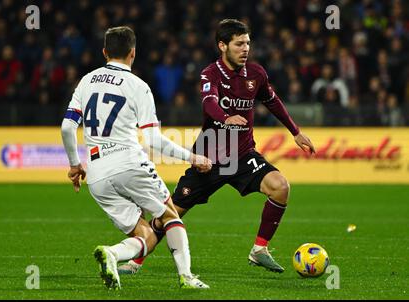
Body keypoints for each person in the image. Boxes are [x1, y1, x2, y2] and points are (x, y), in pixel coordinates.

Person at [119, 19, 315, 274]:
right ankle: (135, 262)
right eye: (238, 44)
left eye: (247, 43)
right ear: (222, 46)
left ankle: (259, 250)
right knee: (170, 214)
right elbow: (209, 103)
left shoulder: (256, 74)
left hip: (243, 156)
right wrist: (225, 118)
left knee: (280, 187)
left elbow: (273, 101)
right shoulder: (210, 74)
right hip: (208, 160)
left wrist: (295, 132)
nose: (245, 49)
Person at [61, 26, 212, 290]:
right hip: (128, 161)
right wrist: (192, 157)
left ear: (105, 52)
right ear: (133, 52)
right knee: (171, 217)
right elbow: (152, 140)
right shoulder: (138, 86)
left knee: (146, 234)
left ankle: (113, 253)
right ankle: (187, 277)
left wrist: (75, 164)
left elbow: (66, 127)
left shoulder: (86, 81)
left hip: (96, 173)